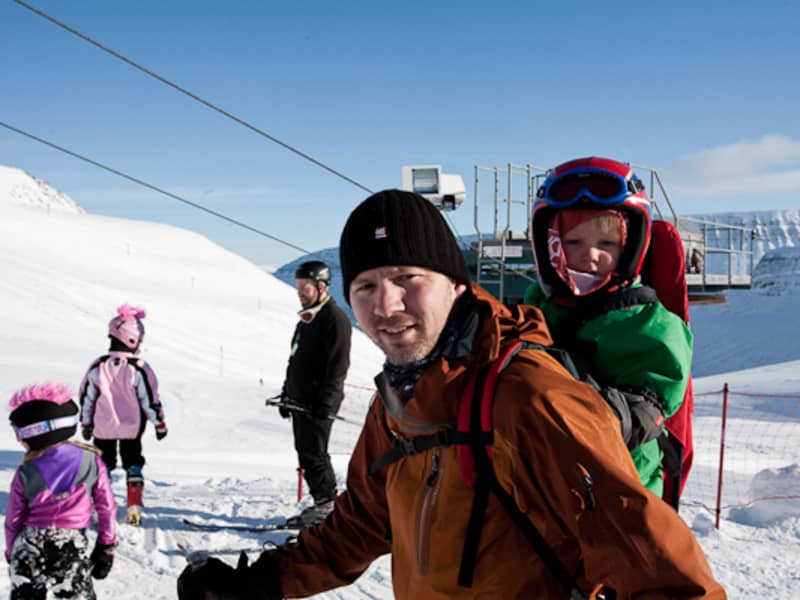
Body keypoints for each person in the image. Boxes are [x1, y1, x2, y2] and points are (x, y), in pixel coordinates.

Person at [178, 189, 725, 599]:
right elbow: (363, 523)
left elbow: (651, 558)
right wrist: (259, 585)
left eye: (407, 277)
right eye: (365, 287)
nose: (385, 305)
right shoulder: (398, 398)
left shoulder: (528, 395)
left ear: (457, 285)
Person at [524, 157, 693, 498]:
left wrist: (601, 411)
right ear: (550, 246)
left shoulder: (648, 321)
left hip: (623, 487)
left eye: (606, 245)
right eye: (574, 243)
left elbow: (651, 402)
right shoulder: (537, 307)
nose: (591, 256)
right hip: (548, 480)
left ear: (630, 247)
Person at [5, 382, 117, 600]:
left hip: (29, 545)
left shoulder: (26, 471)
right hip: (69, 546)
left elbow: (13, 519)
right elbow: (106, 507)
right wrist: (106, 544)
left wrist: (12, 553)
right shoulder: (91, 460)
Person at [274, 260, 352, 527]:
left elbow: (338, 367)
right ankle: (322, 502)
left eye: (304, 288)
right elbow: (294, 360)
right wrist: (287, 393)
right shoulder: (307, 318)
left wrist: (327, 404)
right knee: (305, 452)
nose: (299, 293)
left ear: (320, 287)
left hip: (318, 403)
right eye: (297, 287)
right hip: (300, 400)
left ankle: (328, 505)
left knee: (315, 454)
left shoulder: (334, 320)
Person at [78, 304, 167, 524]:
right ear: (132, 339)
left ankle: (101, 506)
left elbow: (87, 398)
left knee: (103, 465)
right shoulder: (138, 368)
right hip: (131, 428)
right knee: (133, 462)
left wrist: (86, 422)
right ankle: (134, 505)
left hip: (103, 427)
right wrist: (159, 423)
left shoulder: (99, 366)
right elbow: (149, 399)